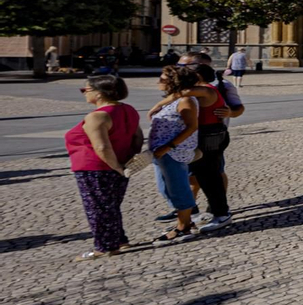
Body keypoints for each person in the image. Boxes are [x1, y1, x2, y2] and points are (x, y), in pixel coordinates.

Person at [66, 75, 143, 259]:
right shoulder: (128, 110)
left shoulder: (98, 116)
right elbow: (138, 136)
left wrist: (115, 166)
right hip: (120, 164)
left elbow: (101, 146)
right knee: (111, 206)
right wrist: (128, 160)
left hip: (95, 168)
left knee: (98, 208)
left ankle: (104, 247)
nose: (84, 93)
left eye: (86, 90)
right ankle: (120, 240)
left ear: (99, 93)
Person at [176, 53, 243, 231]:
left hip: (209, 136)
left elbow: (238, 108)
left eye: (185, 68)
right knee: (201, 176)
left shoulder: (208, 89)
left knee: (210, 176)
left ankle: (219, 211)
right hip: (202, 136)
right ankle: (192, 211)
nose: (181, 71)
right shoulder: (200, 88)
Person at [147, 66, 201, 245]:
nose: (158, 82)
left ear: (174, 82)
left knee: (178, 189)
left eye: (162, 79)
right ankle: (186, 221)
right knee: (166, 189)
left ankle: (183, 227)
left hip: (174, 152)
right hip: (161, 151)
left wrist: (168, 146)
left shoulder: (186, 101)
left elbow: (192, 126)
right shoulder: (174, 99)